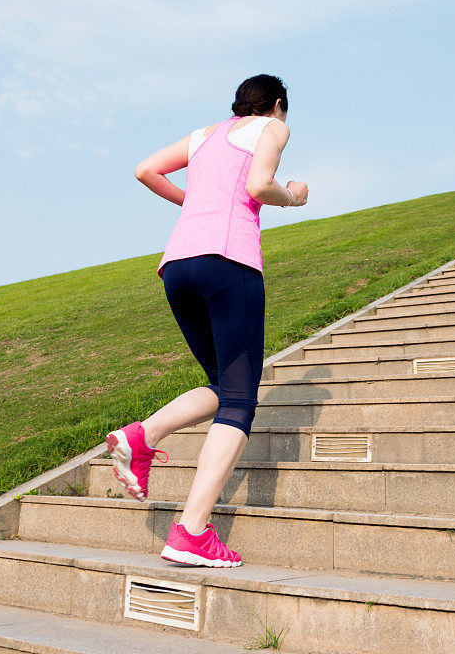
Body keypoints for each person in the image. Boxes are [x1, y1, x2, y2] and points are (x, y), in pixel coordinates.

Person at [105, 74, 308, 567]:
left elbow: (145, 170)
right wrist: (294, 196)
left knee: (222, 383)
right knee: (240, 400)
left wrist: (192, 202)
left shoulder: (206, 134)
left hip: (178, 265)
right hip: (228, 260)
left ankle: (142, 436)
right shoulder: (272, 128)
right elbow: (260, 185)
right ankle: (191, 532)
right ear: (278, 105)